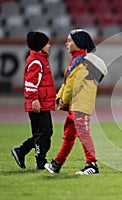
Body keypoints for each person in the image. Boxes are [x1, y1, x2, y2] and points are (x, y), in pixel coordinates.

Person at [44, 29, 108, 175]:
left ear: (78, 43)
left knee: (83, 133)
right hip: (77, 105)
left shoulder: (82, 62)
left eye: (70, 41)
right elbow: (68, 83)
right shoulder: (78, 60)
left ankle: (92, 165)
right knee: (69, 135)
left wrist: (63, 100)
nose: (66, 43)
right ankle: (56, 164)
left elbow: (73, 85)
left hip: (79, 105)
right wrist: (60, 97)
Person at [11, 31, 56, 170]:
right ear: (40, 45)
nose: (49, 45)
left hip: (42, 103)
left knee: (44, 133)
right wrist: (34, 100)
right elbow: (30, 83)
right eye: (47, 43)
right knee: (43, 133)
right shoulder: (36, 61)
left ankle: (22, 151)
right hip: (38, 104)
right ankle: (40, 162)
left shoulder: (39, 59)